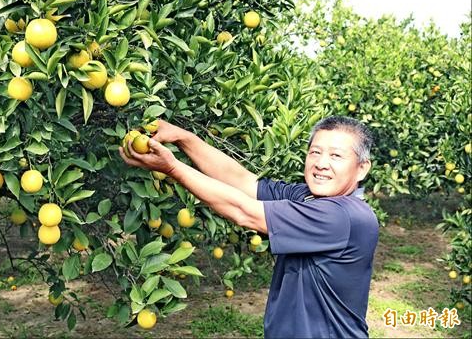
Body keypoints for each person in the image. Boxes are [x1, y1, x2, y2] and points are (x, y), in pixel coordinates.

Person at [119, 115, 379, 338]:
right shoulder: (308, 197)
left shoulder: (342, 216)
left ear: (361, 168)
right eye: (315, 152)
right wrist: (182, 137)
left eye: (336, 155)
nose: (321, 163)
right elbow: (243, 182)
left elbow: (244, 211)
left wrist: (173, 168)